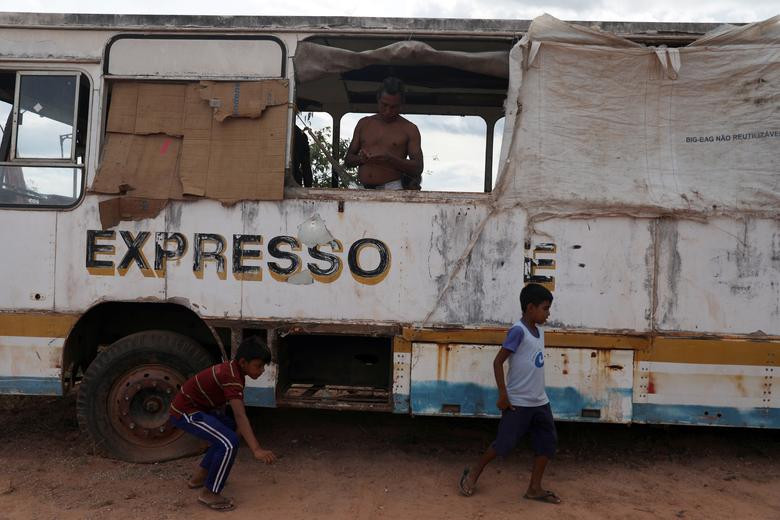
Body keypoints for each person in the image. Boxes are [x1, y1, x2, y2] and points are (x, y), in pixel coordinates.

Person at [458, 283, 561, 505]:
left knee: (547, 444)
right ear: (530, 308)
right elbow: (498, 362)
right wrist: (503, 395)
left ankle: (534, 488)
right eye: (545, 308)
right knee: (503, 444)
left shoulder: (539, 332)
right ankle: (473, 474)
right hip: (519, 403)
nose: (548, 313)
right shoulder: (518, 331)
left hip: (540, 402)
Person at [169, 336, 277, 512]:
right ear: (243, 362)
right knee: (229, 442)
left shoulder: (235, 371)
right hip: (185, 412)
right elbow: (240, 415)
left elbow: (236, 417)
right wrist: (256, 449)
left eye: (263, 366)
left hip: (200, 409)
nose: (262, 370)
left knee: (228, 432)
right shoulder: (232, 377)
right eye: (258, 366)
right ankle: (209, 493)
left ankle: (199, 477)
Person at [344, 77, 423, 190]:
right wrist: (362, 159)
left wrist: (390, 159)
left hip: (393, 189)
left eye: (393, 107)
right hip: (361, 189)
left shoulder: (410, 129)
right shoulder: (364, 123)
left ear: (401, 104)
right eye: (384, 105)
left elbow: (418, 167)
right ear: (378, 100)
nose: (388, 111)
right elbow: (348, 160)